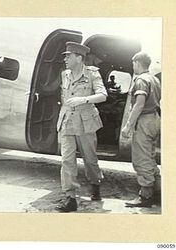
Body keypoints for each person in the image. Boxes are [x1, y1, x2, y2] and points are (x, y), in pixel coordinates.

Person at [56, 41, 107, 212]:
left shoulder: (92, 74)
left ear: (79, 58)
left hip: (86, 122)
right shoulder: (65, 74)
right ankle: (70, 198)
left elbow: (102, 95)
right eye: (65, 56)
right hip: (67, 121)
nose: (65, 59)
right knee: (66, 160)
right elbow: (63, 95)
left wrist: (83, 99)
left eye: (68, 56)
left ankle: (95, 184)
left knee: (90, 159)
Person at [122, 52, 161, 207]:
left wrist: (128, 125)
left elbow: (139, 104)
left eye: (133, 64)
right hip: (155, 118)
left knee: (141, 158)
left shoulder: (141, 80)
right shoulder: (154, 79)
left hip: (144, 120)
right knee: (150, 156)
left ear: (137, 63)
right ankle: (158, 192)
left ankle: (145, 196)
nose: (133, 67)